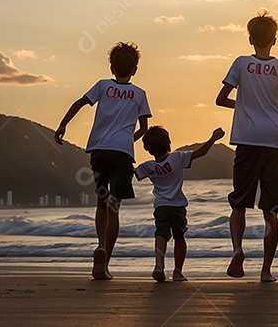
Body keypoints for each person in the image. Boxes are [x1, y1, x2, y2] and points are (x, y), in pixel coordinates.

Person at [216, 12, 278, 283]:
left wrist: (242, 105)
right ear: (274, 40)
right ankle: (266, 271)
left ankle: (238, 250)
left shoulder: (241, 63)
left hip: (247, 139)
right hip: (274, 140)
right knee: (271, 209)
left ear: (250, 38)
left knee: (239, 203)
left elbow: (221, 99)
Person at [56, 41, 151, 280]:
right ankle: (105, 259)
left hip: (98, 152)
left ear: (111, 67)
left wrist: (63, 125)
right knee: (114, 207)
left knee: (101, 203)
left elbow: (79, 102)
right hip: (122, 154)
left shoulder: (102, 86)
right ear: (135, 69)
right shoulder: (139, 94)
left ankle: (100, 244)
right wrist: (128, 139)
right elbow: (144, 128)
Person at [135, 125, 224, 282]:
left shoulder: (148, 166)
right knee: (179, 237)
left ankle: (158, 266)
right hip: (177, 206)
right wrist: (213, 138)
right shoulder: (177, 158)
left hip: (161, 206)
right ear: (169, 143)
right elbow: (200, 152)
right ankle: (177, 272)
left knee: (161, 234)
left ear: (148, 149)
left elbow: (132, 172)